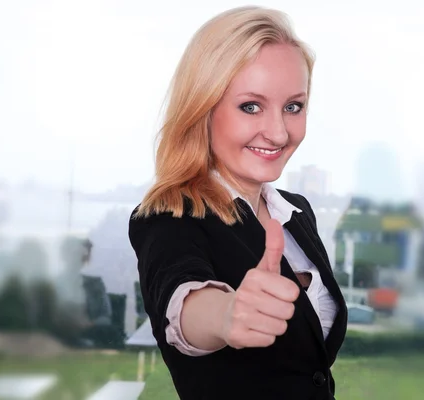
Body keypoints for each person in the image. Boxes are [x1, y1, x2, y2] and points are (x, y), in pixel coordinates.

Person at [128, 6, 347, 400]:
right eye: (251, 106)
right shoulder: (169, 215)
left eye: (293, 107)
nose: (279, 133)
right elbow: (182, 302)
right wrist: (227, 314)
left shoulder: (295, 213)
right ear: (203, 107)